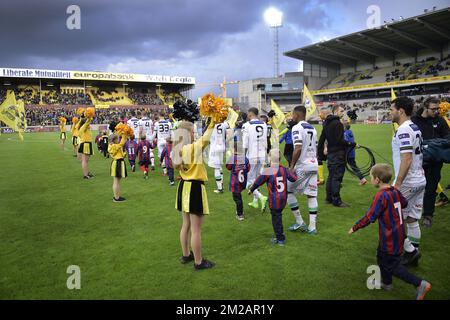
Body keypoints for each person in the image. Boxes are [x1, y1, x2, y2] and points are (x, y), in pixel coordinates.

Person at [348, 164, 431, 300]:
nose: (370, 180)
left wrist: (355, 227)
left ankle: (420, 284)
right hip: (398, 233)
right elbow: (404, 203)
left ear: (378, 180)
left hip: (390, 236)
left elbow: (370, 216)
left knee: (391, 265)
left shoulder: (381, 196)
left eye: (371, 177)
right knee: (381, 256)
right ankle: (387, 283)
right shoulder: (395, 191)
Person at [173, 119, 216, 270]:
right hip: (195, 188)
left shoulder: (177, 147)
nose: (194, 134)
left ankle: (186, 255)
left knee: (186, 225)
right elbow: (206, 138)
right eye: (192, 132)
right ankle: (199, 262)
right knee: (196, 229)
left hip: (183, 186)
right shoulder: (192, 148)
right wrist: (213, 122)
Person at [391, 96, 426, 266]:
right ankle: (413, 253)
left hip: (408, 182)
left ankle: (410, 252)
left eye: (392, 109)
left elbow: (407, 159)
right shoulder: (415, 127)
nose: (390, 112)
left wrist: (397, 184)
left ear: (401, 111)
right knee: (412, 219)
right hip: (420, 180)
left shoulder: (404, 129)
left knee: (392, 218)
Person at [411, 97, 449, 227]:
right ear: (425, 107)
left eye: (438, 108)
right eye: (434, 109)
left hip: (435, 162)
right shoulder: (414, 121)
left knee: (431, 188)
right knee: (416, 188)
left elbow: (448, 137)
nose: (436, 111)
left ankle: (428, 215)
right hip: (418, 161)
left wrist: (433, 144)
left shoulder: (440, 120)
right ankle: (412, 213)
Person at [249, 150, 298, 245]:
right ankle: (279, 236)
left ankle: (280, 239)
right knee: (278, 217)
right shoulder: (284, 169)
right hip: (283, 199)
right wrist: (294, 171)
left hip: (274, 200)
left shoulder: (269, 171)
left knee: (276, 220)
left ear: (270, 158)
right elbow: (293, 178)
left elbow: (258, 181)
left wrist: (251, 189)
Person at [286, 105, 319, 234]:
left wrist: (292, 166)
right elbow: (315, 148)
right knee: (311, 195)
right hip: (313, 164)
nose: (291, 116)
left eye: (292, 114)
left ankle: (299, 222)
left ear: (296, 114)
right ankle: (312, 227)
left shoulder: (297, 128)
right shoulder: (313, 128)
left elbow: (298, 148)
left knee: (288, 191)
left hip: (302, 165)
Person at [318, 105, 356, 207]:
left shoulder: (326, 123)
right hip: (338, 154)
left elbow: (321, 139)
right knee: (337, 178)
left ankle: (329, 198)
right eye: (341, 111)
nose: (343, 113)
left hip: (331, 154)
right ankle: (336, 200)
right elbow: (340, 141)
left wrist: (320, 155)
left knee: (331, 176)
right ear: (335, 112)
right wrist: (351, 144)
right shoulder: (337, 123)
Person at [243, 107, 268, 211]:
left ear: (249, 115)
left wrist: (243, 158)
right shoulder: (264, 124)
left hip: (252, 155)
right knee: (257, 179)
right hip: (262, 154)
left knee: (247, 180)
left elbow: (245, 143)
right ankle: (255, 202)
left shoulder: (247, 125)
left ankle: (261, 197)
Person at [226, 141, 250, 221]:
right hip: (242, 182)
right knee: (238, 197)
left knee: (237, 199)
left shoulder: (233, 158)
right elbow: (248, 169)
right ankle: (240, 211)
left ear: (234, 149)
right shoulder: (245, 158)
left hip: (235, 183)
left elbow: (228, 167)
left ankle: (240, 214)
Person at [208, 120, 229, 193]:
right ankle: (221, 183)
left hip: (214, 148)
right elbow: (229, 125)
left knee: (216, 168)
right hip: (222, 147)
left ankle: (220, 188)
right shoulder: (224, 124)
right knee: (219, 166)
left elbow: (206, 135)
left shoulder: (212, 124)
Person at [108, 133, 128, 202]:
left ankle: (117, 196)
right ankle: (116, 198)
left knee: (118, 181)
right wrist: (124, 135)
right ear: (114, 140)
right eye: (118, 138)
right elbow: (121, 144)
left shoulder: (116, 145)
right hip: (117, 163)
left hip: (119, 162)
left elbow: (121, 154)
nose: (119, 139)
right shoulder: (113, 146)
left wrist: (124, 154)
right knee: (116, 181)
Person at [78, 114, 94, 179]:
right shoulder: (84, 126)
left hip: (87, 143)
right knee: (84, 160)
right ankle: (85, 175)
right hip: (85, 144)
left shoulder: (84, 127)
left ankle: (87, 173)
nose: (89, 124)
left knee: (86, 160)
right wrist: (89, 115)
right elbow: (89, 121)